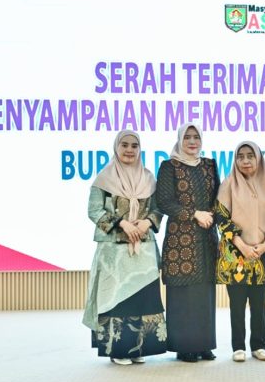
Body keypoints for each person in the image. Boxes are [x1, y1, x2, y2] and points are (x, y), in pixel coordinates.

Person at [83, 130, 167, 365]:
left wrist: (147, 222)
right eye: (125, 145)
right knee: (116, 298)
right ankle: (118, 350)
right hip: (114, 253)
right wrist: (121, 224)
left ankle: (140, 348)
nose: (130, 150)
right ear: (116, 147)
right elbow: (94, 211)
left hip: (143, 250)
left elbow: (158, 209)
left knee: (143, 298)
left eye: (134, 145)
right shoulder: (104, 179)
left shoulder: (149, 178)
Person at [215, 141, 265, 362]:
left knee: (259, 303)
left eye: (250, 156)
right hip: (236, 254)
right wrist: (242, 246)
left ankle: (259, 346)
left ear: (259, 159)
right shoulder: (227, 185)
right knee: (236, 303)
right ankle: (238, 346)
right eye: (240, 156)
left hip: (263, 253)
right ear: (235, 160)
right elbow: (221, 218)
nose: (245, 161)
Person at [156, 122, 220, 363]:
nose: (192, 142)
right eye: (188, 137)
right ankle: (185, 346)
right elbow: (164, 202)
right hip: (180, 240)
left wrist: (213, 215)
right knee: (183, 294)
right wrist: (195, 214)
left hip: (205, 238)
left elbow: (217, 196)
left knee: (204, 293)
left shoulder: (209, 165)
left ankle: (203, 344)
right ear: (180, 140)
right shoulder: (169, 166)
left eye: (196, 137)